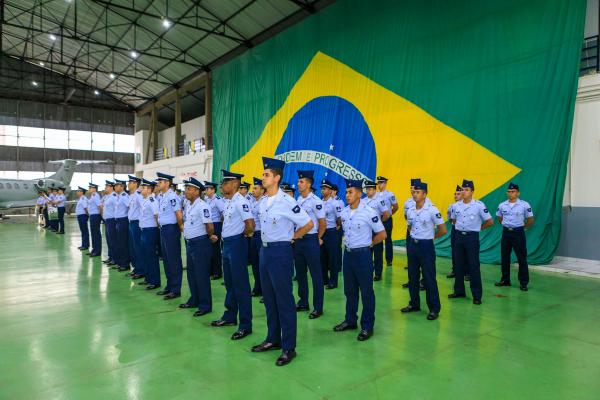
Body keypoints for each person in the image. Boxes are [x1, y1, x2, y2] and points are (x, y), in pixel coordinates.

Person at [251, 157, 313, 366]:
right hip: (265, 251)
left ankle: (289, 347)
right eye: (263, 174)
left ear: (276, 178)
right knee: (269, 299)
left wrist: (293, 237)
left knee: (284, 300)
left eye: (266, 175)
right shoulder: (263, 201)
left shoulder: (287, 201)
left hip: (280, 252)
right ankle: (273, 339)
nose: (263, 177)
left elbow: (308, 223)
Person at [334, 179, 386, 341]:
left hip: (363, 256)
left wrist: (368, 244)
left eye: (350, 192)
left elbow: (382, 234)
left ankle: (367, 326)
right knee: (349, 291)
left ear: (359, 193)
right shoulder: (343, 212)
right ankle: (350, 320)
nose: (347, 195)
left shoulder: (369, 212)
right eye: (346, 192)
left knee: (366, 292)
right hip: (348, 255)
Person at [210, 169, 255, 341]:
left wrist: (241, 236)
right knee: (229, 283)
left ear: (235, 184)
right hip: (227, 245)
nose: (222, 186)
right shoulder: (229, 201)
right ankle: (230, 316)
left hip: (236, 244)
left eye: (225, 183)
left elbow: (250, 225)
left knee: (241, 286)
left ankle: (245, 325)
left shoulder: (240, 202)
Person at [401, 182, 446, 320]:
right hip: (413, 245)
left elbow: (443, 230)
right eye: (414, 192)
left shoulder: (432, 210)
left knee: (428, 278)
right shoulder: (410, 210)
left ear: (425, 194)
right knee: (412, 276)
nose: (415, 194)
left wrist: (429, 237)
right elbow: (409, 226)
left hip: (426, 247)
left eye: (418, 192)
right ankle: (414, 303)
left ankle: (434, 308)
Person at [448, 179, 493, 305]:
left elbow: (490, 221)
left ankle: (477, 295)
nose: (464, 191)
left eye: (466, 189)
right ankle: (459, 291)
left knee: (473, 266)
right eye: (462, 189)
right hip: (458, 237)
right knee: (458, 265)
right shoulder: (456, 206)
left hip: (471, 238)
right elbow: (453, 220)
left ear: (472, 191)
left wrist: (478, 229)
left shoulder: (479, 205)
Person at [179, 177, 217, 316]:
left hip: (200, 243)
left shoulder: (203, 206)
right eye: (186, 189)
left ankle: (205, 305)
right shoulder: (189, 205)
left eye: (188, 189)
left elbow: (210, 226)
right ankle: (194, 299)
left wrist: (209, 236)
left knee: (201, 275)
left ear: (196, 191)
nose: (186, 191)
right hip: (191, 244)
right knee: (191, 274)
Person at [294, 170, 326, 319]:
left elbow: (322, 224)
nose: (299, 184)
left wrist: (317, 238)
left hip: (311, 239)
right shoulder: (298, 200)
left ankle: (318, 307)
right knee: (300, 273)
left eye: (301, 182)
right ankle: (303, 301)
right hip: (299, 241)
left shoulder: (316, 201)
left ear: (309, 184)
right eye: (299, 181)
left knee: (315, 275)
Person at [495, 182, 534, 291]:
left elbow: (530, 219)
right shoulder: (502, 205)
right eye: (509, 191)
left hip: (518, 233)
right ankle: (505, 280)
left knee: (522, 258)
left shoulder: (524, 205)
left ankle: (523, 282)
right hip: (506, 233)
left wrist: (523, 227)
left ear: (518, 193)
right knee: (505, 257)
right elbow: (499, 218)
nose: (510, 193)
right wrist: (507, 225)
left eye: (513, 192)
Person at [155, 172, 184, 300]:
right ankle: (169, 285)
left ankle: (176, 289)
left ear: (167, 183)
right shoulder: (162, 196)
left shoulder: (172, 197)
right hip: (164, 230)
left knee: (173, 259)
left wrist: (181, 228)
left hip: (172, 229)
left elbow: (178, 213)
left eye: (160, 182)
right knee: (166, 260)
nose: (158, 184)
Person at [364, 180, 391, 281]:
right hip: (366, 230)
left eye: (370, 189)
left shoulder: (380, 200)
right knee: (367, 252)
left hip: (376, 230)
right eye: (367, 189)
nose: (368, 191)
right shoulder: (363, 201)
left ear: (374, 190)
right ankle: (368, 271)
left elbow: (387, 214)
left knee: (378, 252)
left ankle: (378, 273)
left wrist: (379, 223)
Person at [138, 179, 161, 290]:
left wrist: (158, 229)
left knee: (151, 256)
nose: (141, 189)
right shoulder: (145, 199)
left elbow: (157, 215)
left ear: (149, 189)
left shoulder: (152, 200)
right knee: (145, 255)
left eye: (143, 188)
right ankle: (148, 278)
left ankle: (155, 281)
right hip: (144, 230)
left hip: (150, 230)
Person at [320, 179, 342, 289]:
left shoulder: (335, 203)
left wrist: (336, 228)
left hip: (331, 232)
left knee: (332, 258)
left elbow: (339, 219)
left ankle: (333, 281)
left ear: (330, 190)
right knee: (322, 257)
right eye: (322, 189)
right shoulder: (319, 202)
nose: (322, 191)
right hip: (321, 232)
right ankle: (324, 279)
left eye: (324, 189)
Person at [249, 178, 267, 297]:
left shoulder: (265, 202)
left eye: (255, 188)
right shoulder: (253, 202)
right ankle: (257, 287)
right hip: (253, 236)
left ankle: (266, 291)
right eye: (253, 188)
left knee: (263, 265)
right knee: (255, 263)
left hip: (262, 236)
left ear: (262, 190)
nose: (253, 190)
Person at [376, 176, 398, 266]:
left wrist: (389, 215)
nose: (379, 185)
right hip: (377, 220)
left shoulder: (390, 194)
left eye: (381, 183)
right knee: (378, 240)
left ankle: (389, 260)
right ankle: (378, 259)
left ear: (385, 183)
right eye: (378, 183)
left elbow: (396, 206)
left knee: (388, 239)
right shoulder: (375, 195)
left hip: (387, 219)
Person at [205, 181, 225, 280]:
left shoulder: (217, 200)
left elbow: (223, 213)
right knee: (209, 250)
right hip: (209, 225)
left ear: (213, 190)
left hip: (216, 225)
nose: (206, 191)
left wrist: (220, 224)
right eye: (206, 189)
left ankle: (217, 272)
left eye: (208, 189)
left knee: (215, 250)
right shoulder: (206, 199)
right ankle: (211, 271)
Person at [127, 176, 144, 280]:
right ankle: (136, 268)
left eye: (130, 182)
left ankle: (141, 270)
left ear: (135, 183)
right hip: (132, 222)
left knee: (138, 247)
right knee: (133, 247)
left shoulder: (138, 195)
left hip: (137, 223)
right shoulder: (132, 195)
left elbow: (144, 208)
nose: (128, 184)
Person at [113, 179, 131, 272]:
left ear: (122, 187)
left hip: (123, 221)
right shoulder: (119, 196)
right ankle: (120, 262)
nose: (115, 187)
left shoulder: (124, 196)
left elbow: (130, 207)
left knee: (123, 243)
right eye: (115, 185)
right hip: (118, 221)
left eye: (117, 185)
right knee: (119, 242)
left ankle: (125, 264)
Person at [446, 185, 463, 278]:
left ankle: (466, 272)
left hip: (463, 230)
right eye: (455, 194)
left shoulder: (465, 206)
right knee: (454, 251)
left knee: (464, 251)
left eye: (458, 194)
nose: (456, 196)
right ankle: (455, 270)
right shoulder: (451, 206)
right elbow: (450, 219)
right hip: (454, 230)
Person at [101, 181, 117, 266]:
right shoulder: (107, 197)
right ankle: (110, 257)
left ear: (111, 187)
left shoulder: (114, 196)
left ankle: (115, 258)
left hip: (112, 220)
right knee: (108, 240)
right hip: (107, 220)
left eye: (107, 186)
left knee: (113, 240)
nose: (105, 188)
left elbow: (116, 209)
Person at [87, 183, 102, 257]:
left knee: (96, 234)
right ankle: (94, 249)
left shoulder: (95, 195)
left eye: (90, 188)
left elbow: (100, 206)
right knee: (93, 233)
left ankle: (97, 251)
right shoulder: (92, 196)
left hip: (95, 216)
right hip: (92, 216)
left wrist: (100, 215)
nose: (89, 189)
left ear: (94, 189)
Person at [75, 187, 90, 251]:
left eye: (78, 191)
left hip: (83, 216)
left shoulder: (83, 198)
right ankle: (84, 244)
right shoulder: (80, 198)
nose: (77, 192)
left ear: (82, 192)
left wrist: (88, 216)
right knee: (83, 231)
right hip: (80, 216)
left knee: (84, 231)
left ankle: (86, 245)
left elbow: (86, 208)